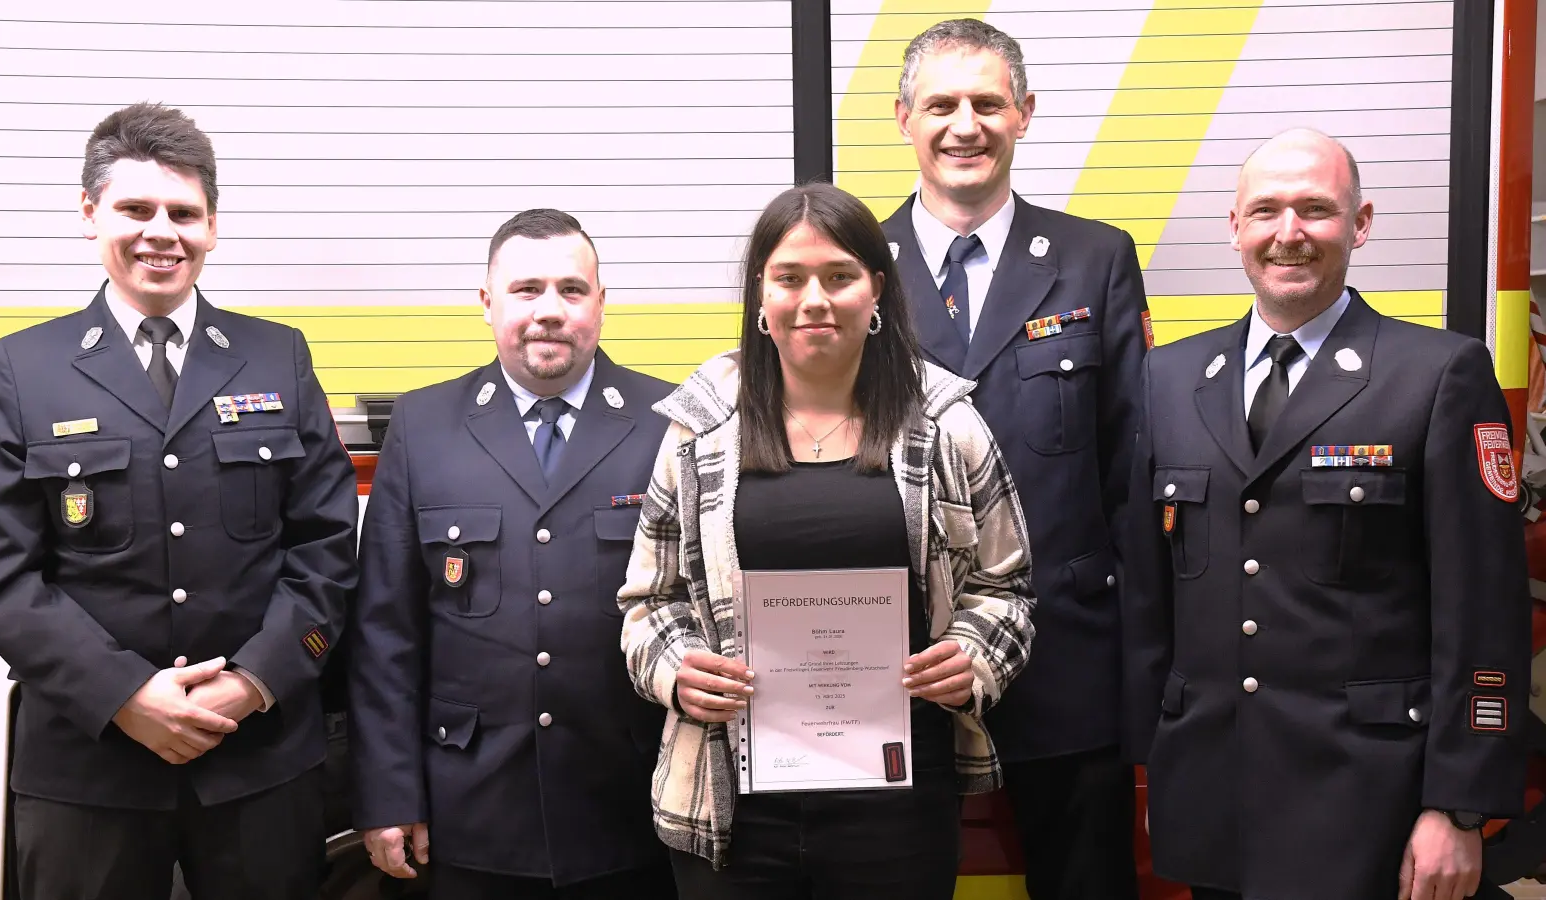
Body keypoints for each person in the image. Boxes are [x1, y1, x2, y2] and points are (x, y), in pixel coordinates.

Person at [0, 102, 360, 900]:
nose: (161, 233)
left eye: (184, 213)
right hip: (89, 767)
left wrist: (252, 683)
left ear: (213, 227)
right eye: (136, 209)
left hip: (259, 761)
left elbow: (325, 547)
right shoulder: (23, 368)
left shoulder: (275, 354)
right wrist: (126, 698)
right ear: (89, 215)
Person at [1121, 127, 1531, 900]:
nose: (1289, 234)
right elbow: (1150, 595)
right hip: (1211, 798)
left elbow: (1484, 611)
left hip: (1370, 801)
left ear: (1360, 224)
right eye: (1266, 210)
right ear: (1234, 227)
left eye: (1315, 210)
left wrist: (1459, 806)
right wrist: (1158, 767)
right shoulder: (1169, 376)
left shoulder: (1438, 374)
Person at [618, 181, 1038, 899]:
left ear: (875, 290)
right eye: (790, 277)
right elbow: (648, 601)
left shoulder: (948, 425)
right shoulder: (699, 428)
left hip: (898, 805)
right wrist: (677, 670)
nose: (815, 298)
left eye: (839, 276)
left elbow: (1008, 589)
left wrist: (973, 659)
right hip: (731, 806)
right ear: (761, 296)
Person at [880, 18, 1151, 899]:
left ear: (1024, 114)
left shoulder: (1095, 259)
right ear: (903, 119)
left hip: (1068, 661)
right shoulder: (852, 270)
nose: (966, 125)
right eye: (941, 105)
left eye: (988, 103)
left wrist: (1141, 666)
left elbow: (1132, 474)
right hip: (903, 665)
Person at [348, 208, 679, 900]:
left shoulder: (669, 425)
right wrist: (387, 793)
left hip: (630, 805)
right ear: (487, 302)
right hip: (468, 808)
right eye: (527, 290)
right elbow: (385, 634)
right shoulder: (422, 426)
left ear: (601, 303)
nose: (549, 311)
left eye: (571, 290)